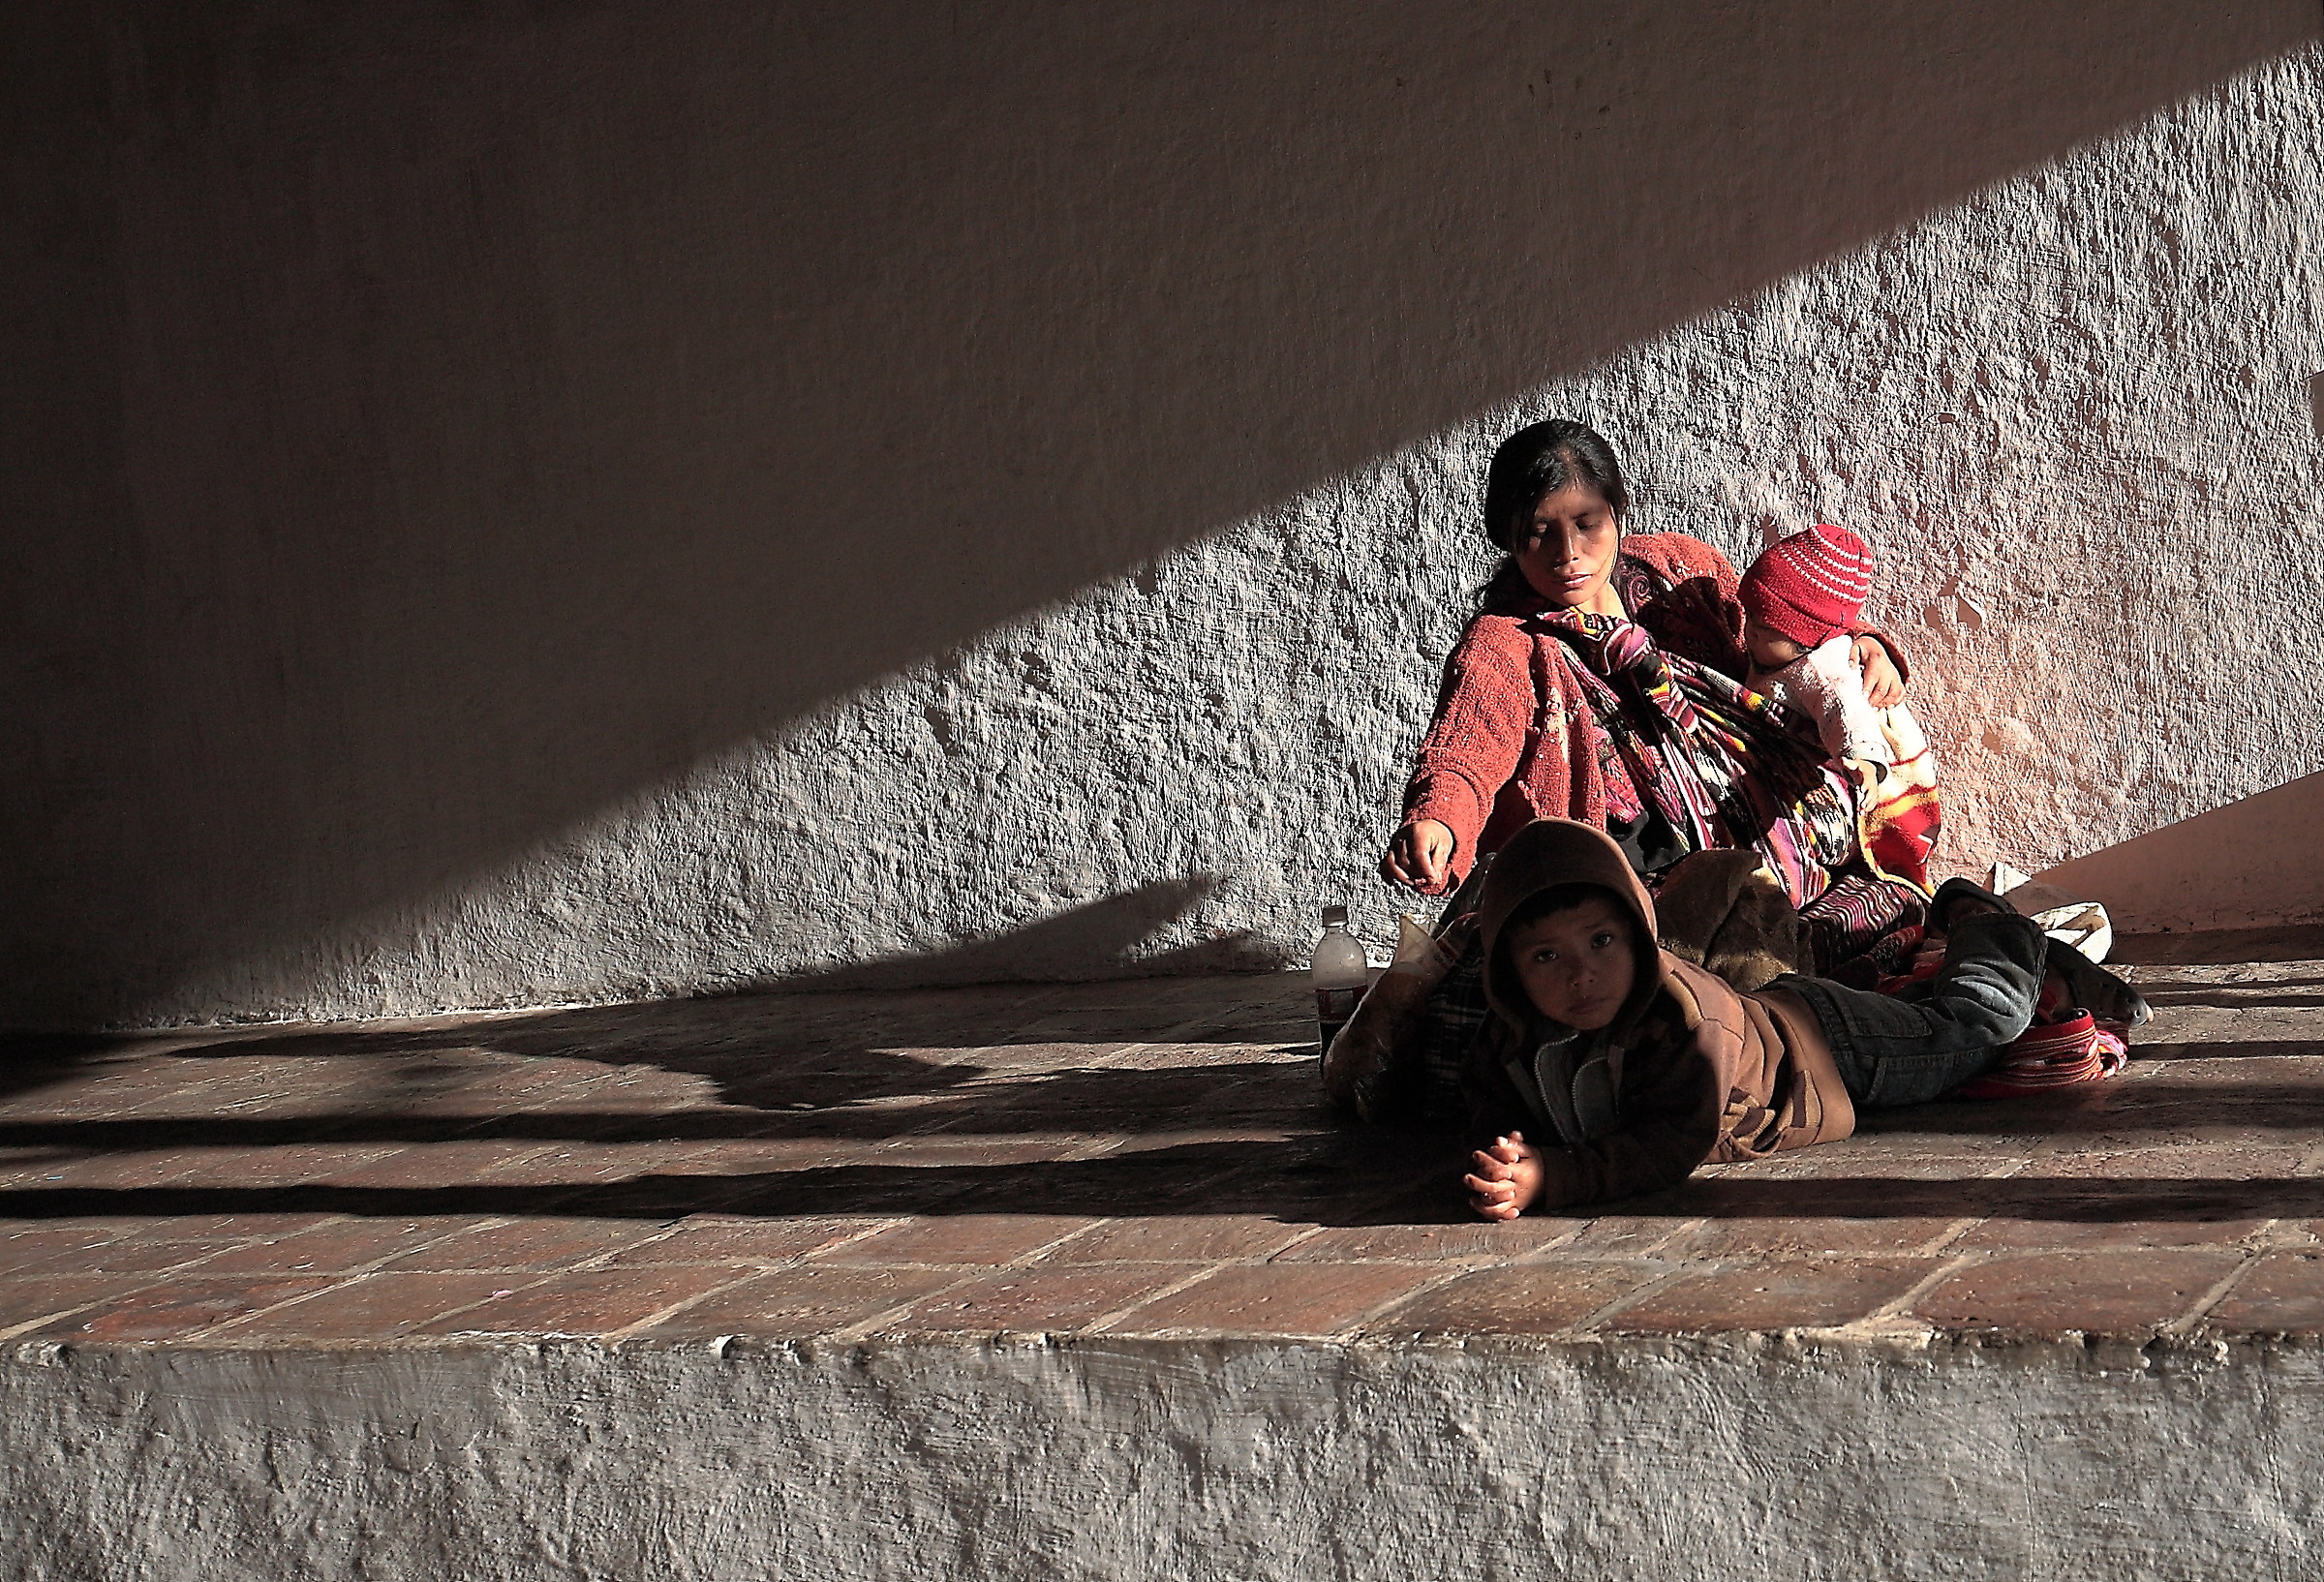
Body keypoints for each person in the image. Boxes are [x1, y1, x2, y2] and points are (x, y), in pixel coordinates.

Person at [1457, 818, 2133, 1219]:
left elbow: (1671, 1142)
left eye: (1601, 941)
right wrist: (1496, 1162)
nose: (1580, 975)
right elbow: (1489, 1113)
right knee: (1927, 1013)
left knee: (1978, 1027)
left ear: (1638, 935)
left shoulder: (1689, 1022)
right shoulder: (1513, 1033)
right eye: (1546, 955)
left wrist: (1550, 1176)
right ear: (1508, 972)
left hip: (1828, 1051)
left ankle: (1991, 924)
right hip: (1788, 1016)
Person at [1737, 522, 1900, 770]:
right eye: (1749, 615)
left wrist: (1865, 763)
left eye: (1767, 629)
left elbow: (1847, 713)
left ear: (1807, 637)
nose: (1751, 633)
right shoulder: (1774, 655)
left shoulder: (1823, 668)